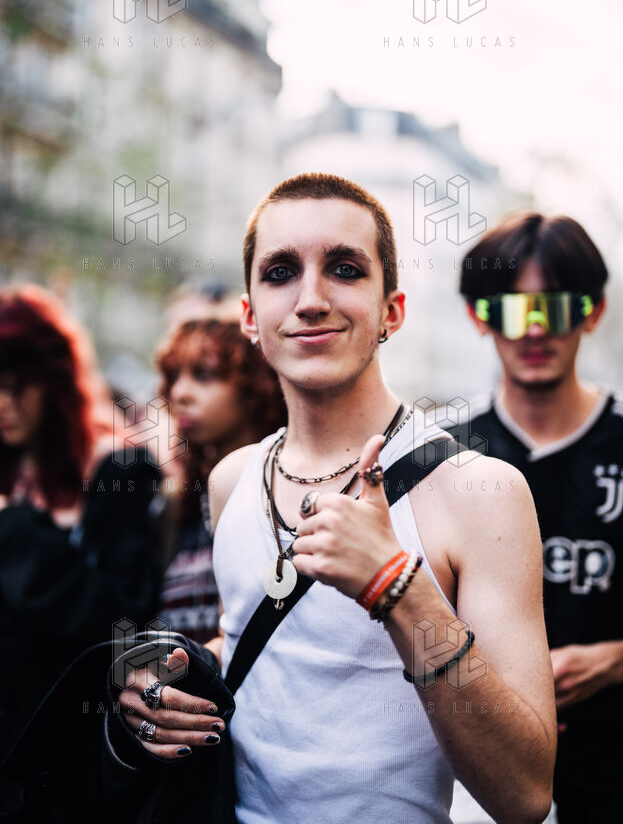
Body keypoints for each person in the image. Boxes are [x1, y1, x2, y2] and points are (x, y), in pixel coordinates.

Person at [119, 174, 556, 824]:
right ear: (249, 316)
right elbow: (273, 654)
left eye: (345, 269)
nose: (311, 300)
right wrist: (167, 680)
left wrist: (397, 588)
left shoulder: (478, 492)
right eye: (280, 273)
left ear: (391, 311)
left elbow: (523, 793)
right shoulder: (232, 480)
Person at [458, 212, 623, 823]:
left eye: (553, 309)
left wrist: (614, 660)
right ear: (479, 316)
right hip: (474, 782)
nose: (533, 330)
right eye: (510, 309)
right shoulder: (441, 457)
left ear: (592, 312)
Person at [0, 285, 162, 761]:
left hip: (70, 746)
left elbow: (124, 624)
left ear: (53, 381)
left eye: (15, 386)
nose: (2, 404)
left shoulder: (118, 470)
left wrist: (15, 530)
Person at [154, 318, 287, 643]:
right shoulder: (177, 504)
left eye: (203, 375)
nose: (180, 393)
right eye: (174, 376)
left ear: (253, 385)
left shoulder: (285, 494)